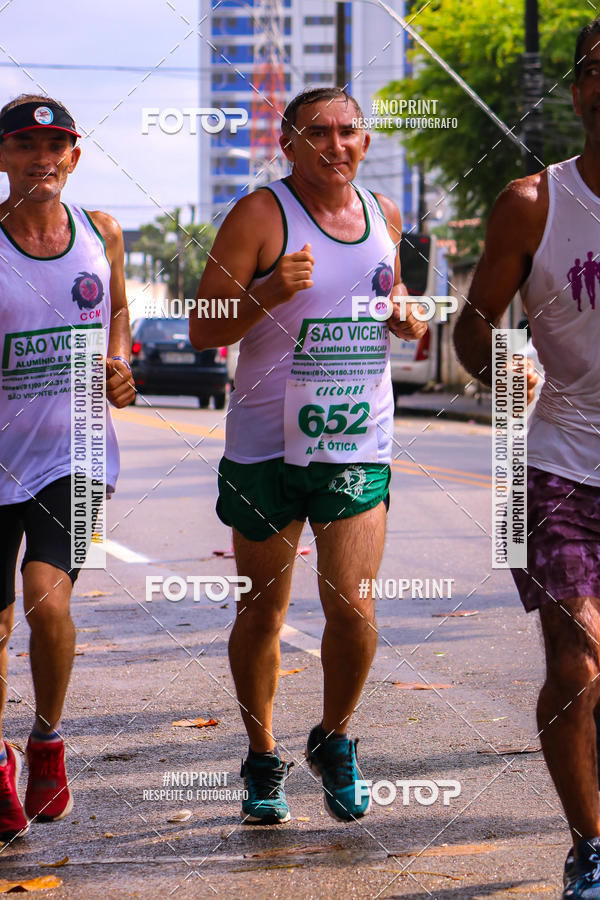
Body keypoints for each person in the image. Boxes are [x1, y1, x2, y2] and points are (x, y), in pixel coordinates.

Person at [190, 87, 425, 825]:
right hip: (265, 445)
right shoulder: (261, 215)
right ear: (288, 144)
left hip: (357, 441)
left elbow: (389, 291)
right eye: (316, 133)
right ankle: (263, 756)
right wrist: (266, 290)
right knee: (263, 609)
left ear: (365, 140)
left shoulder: (384, 215)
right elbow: (204, 327)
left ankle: (335, 738)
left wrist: (406, 314)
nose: (335, 145)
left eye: (348, 131)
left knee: (353, 604)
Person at [454, 19, 600, 898]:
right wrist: (498, 363)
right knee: (577, 660)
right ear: (578, 91)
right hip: (554, 463)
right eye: (597, 70)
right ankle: (591, 846)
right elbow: (476, 324)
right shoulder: (533, 203)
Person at [0, 94, 134, 841]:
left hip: (77, 454)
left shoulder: (102, 232)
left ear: (74, 158)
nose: (41, 158)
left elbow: (117, 312)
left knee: (47, 602)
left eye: (55, 146)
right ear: (2, 157)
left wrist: (117, 360)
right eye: (24, 144)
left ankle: (47, 741)